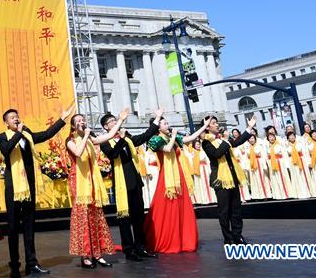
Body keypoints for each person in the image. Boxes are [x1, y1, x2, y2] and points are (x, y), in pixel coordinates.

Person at [0, 104, 73, 277]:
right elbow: (7, 150)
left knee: (29, 227)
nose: (16, 119)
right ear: (6, 123)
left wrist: (62, 119)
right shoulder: (2, 137)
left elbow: (46, 135)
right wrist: (18, 133)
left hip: (28, 188)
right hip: (13, 189)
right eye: (12, 118)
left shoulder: (27, 135)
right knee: (13, 228)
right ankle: (14, 266)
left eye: (17, 116)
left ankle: (32, 264)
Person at [66, 110, 127, 269]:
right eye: (78, 120)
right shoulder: (70, 140)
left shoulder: (90, 138)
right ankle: (86, 256)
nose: (82, 121)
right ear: (73, 126)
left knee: (95, 217)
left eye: (83, 119)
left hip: (91, 181)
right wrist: (86, 136)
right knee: (83, 219)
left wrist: (120, 120)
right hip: (79, 183)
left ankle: (97, 253)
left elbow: (107, 136)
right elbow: (78, 153)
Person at [98, 107, 159, 261]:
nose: (114, 122)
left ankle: (141, 247)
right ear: (106, 127)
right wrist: (123, 139)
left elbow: (143, 137)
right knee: (124, 219)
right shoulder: (105, 141)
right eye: (111, 121)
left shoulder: (127, 137)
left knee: (139, 217)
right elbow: (113, 154)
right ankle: (129, 249)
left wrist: (157, 119)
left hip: (135, 181)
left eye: (114, 120)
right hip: (121, 183)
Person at [144, 117, 209, 253]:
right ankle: (169, 240)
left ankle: (184, 240)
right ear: (158, 127)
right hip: (167, 177)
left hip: (179, 175)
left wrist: (204, 126)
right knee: (168, 206)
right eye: (165, 123)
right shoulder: (156, 139)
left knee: (181, 206)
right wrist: (173, 136)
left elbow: (190, 138)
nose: (168, 125)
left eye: (167, 122)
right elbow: (167, 149)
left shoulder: (173, 138)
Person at [201, 115, 255, 245]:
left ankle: (238, 235)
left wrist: (249, 128)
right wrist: (225, 141)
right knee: (224, 211)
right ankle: (228, 237)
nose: (217, 125)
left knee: (236, 209)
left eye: (217, 122)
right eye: (213, 123)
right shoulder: (206, 142)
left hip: (232, 176)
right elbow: (217, 153)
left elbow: (237, 141)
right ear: (207, 127)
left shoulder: (223, 140)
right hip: (220, 179)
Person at [285, 132, 313, 199]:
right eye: (290, 136)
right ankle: (297, 193)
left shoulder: (300, 144)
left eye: (293, 135)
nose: (292, 137)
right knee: (296, 177)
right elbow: (286, 155)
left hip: (301, 161)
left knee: (303, 176)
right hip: (293, 163)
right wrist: (287, 165)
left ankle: (307, 192)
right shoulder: (286, 146)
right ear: (288, 138)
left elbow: (305, 153)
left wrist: (308, 162)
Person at [265, 131, 291, 200]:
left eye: (273, 137)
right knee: (274, 179)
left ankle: (286, 193)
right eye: (270, 137)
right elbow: (267, 157)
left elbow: (284, 154)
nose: (271, 138)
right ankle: (278, 194)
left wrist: (286, 164)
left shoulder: (279, 145)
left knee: (282, 178)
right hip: (272, 165)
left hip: (280, 163)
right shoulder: (268, 147)